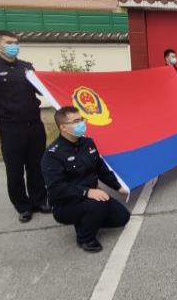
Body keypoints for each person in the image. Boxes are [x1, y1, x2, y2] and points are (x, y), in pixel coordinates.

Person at [0, 30, 50, 223]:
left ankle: (39, 200)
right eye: (9, 42)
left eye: (16, 42)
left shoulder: (26, 67)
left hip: (34, 125)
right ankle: (23, 206)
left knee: (36, 166)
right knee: (15, 170)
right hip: (10, 128)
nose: (14, 46)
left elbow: (42, 89)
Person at [42, 106, 130, 253]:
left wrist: (118, 187)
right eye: (76, 121)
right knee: (98, 206)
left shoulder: (87, 143)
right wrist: (87, 192)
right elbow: (57, 188)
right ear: (63, 127)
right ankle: (85, 238)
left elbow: (101, 168)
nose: (82, 123)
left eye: (81, 119)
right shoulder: (52, 155)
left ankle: (86, 220)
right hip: (66, 204)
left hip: (91, 195)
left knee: (122, 217)